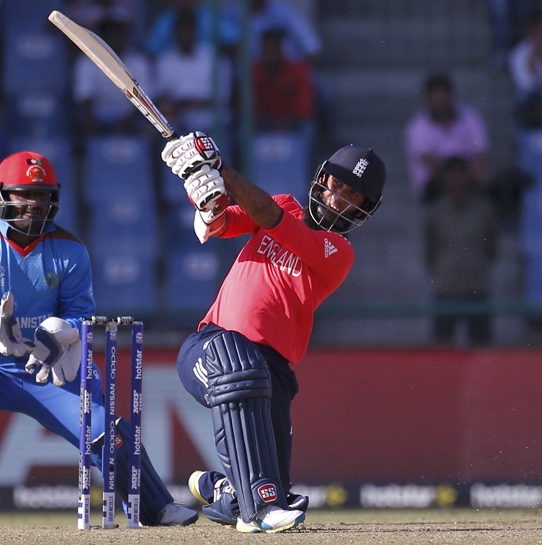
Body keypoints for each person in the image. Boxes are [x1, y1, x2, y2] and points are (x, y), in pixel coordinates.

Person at [0, 151, 197, 531]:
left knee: (101, 426)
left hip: (47, 364)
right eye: (24, 195)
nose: (34, 205)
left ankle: (155, 507)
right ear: (1, 197)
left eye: (42, 196)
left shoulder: (71, 250)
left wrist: (65, 330)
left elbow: (81, 311)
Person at [160, 131, 385, 532]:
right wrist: (207, 199)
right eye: (337, 185)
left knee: (272, 489)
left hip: (271, 371)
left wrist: (220, 167)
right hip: (212, 344)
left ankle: (222, 489)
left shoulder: (338, 251)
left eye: (353, 194)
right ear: (322, 180)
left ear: (364, 208)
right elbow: (224, 223)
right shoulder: (285, 204)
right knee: (239, 369)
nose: (338, 197)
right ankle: (257, 510)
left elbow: (267, 216)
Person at [424, 157, 498, 347]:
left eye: (459, 175)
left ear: (467, 177)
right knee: (442, 346)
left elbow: (492, 247)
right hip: (446, 285)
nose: (455, 181)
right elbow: (429, 250)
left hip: (477, 284)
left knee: (482, 345)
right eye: (451, 176)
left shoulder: (484, 211)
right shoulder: (435, 213)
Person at [404, 73, 490, 204]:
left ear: (451, 96)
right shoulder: (417, 125)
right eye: (436, 100)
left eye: (443, 99)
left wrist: (470, 175)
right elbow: (428, 162)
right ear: (428, 99)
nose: (441, 104)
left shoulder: (470, 117)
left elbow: (479, 154)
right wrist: (455, 178)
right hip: (436, 183)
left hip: (467, 176)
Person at [153, 8, 233, 133]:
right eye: (181, 31)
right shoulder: (165, 60)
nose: (185, 35)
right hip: (179, 124)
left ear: (195, 31)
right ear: (175, 33)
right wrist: (189, 102)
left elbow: (223, 95)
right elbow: (162, 97)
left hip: (214, 123)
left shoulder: (214, 57)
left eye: (188, 30)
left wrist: (189, 101)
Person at [72, 15, 153, 136]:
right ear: (103, 39)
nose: (118, 40)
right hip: (99, 116)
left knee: (149, 127)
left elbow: (146, 98)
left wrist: (129, 120)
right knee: (79, 124)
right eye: (113, 36)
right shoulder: (86, 62)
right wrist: (92, 122)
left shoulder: (138, 62)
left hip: (131, 116)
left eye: (121, 36)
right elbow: (85, 97)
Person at [252, 27, 314, 132]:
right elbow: (249, 107)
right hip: (263, 124)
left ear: (280, 47)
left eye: (274, 46)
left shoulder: (297, 70)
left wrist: (287, 123)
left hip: (292, 123)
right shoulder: (254, 72)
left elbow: (304, 106)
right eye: (268, 47)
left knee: (308, 126)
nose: (271, 51)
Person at [508, 8, 542, 129]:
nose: (540, 38)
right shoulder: (518, 55)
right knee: (530, 102)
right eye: (536, 33)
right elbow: (526, 87)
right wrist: (532, 62)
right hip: (532, 103)